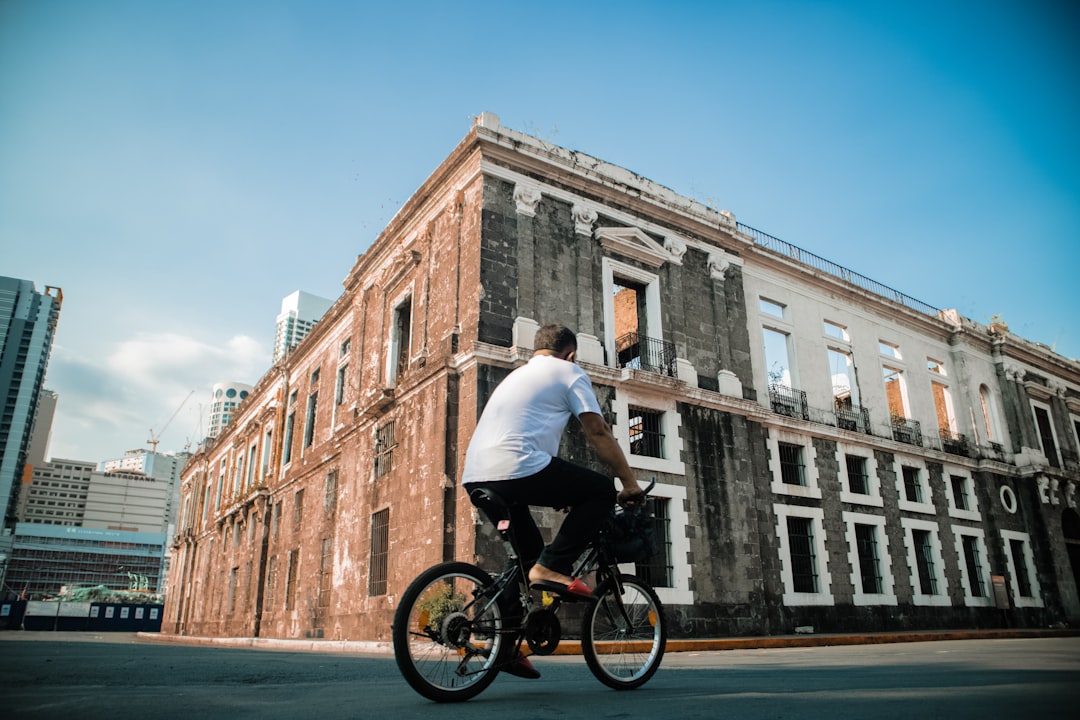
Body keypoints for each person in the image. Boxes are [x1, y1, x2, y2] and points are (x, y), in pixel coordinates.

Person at [462, 323, 644, 599]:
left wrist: (564, 494)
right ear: (570, 355)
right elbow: (598, 431)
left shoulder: (516, 376)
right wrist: (629, 483)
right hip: (518, 466)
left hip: (476, 475)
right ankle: (554, 566)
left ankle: (505, 633)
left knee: (529, 559)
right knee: (601, 490)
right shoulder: (569, 371)